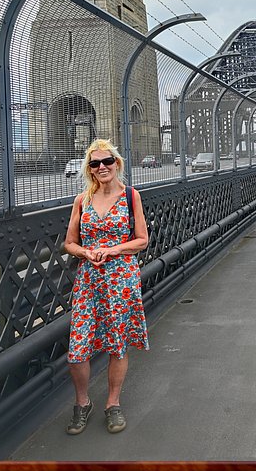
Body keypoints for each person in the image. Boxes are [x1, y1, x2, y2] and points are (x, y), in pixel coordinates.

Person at [63, 139, 150, 435]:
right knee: (77, 348)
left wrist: (113, 250)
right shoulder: (82, 200)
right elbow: (69, 242)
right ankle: (82, 402)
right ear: (89, 169)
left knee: (117, 342)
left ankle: (112, 404)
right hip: (89, 279)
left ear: (117, 164)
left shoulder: (130, 196)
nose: (102, 167)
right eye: (95, 163)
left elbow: (142, 240)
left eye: (107, 161)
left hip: (121, 278)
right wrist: (85, 252)